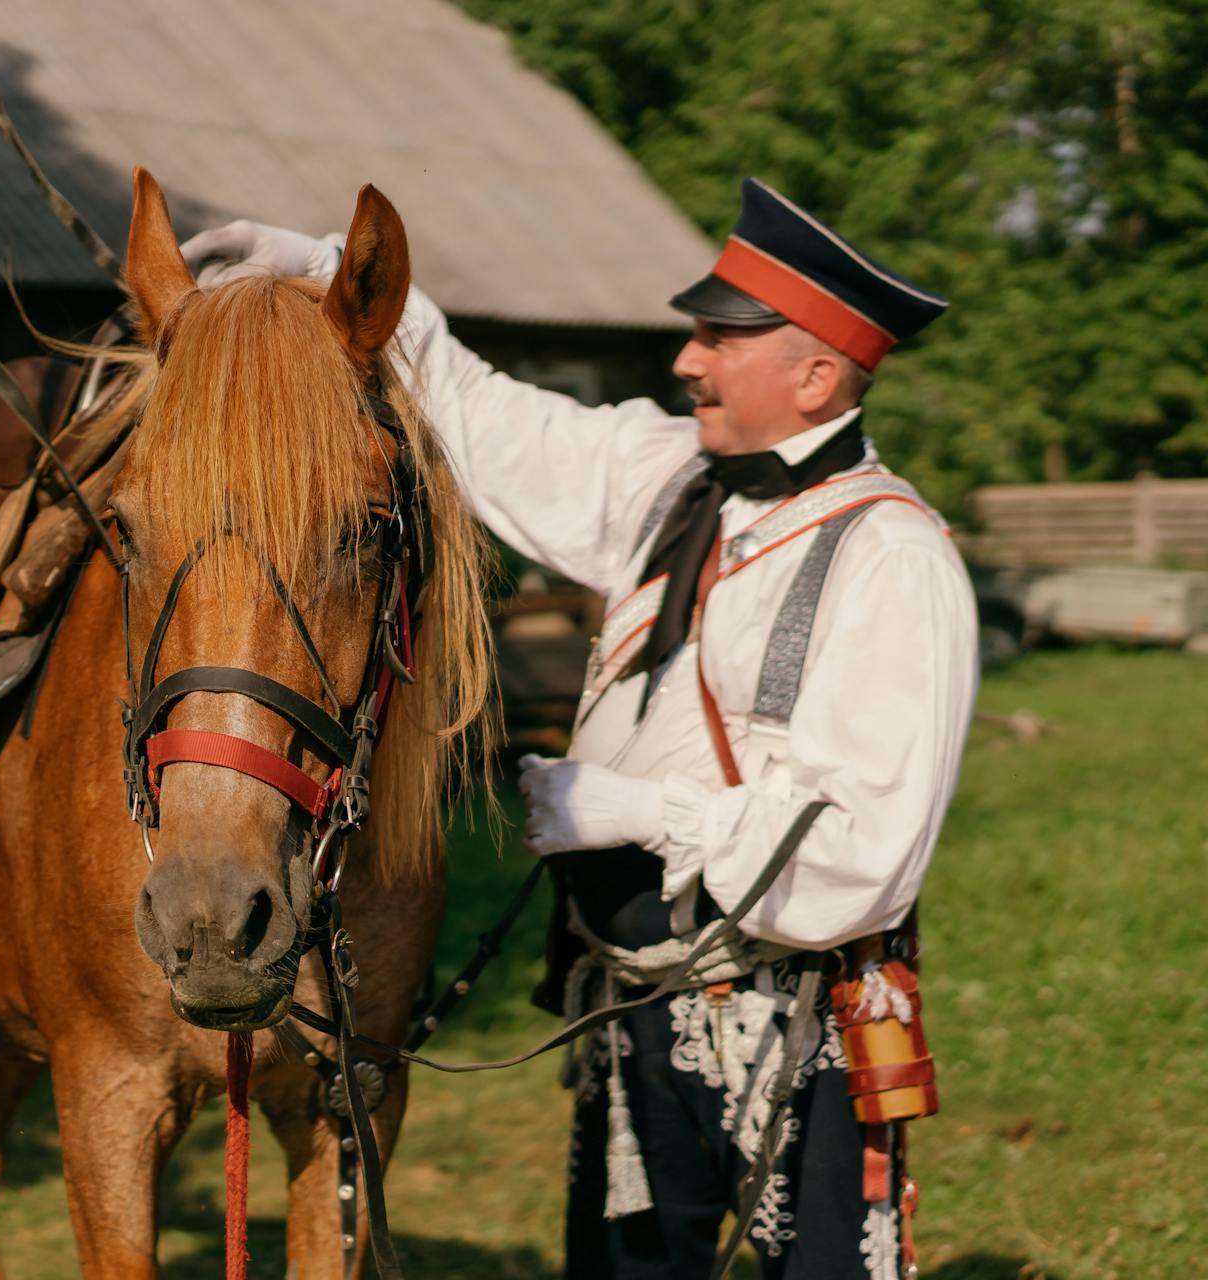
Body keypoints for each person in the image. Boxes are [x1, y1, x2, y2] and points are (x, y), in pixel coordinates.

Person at [181, 178, 977, 1279]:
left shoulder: (895, 558)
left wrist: (646, 810)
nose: (687, 359)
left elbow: (870, 853)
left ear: (816, 373)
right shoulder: (671, 477)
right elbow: (485, 412)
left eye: (719, 339)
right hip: (624, 997)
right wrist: (330, 270)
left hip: (790, 1015)